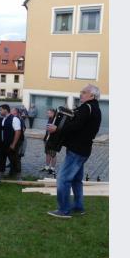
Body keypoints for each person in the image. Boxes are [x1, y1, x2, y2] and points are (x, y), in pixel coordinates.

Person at [46, 84, 102, 218]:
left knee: (63, 179)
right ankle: (78, 206)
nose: (80, 94)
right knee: (76, 180)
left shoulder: (86, 108)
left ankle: (63, 210)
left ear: (91, 95)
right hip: (83, 149)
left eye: (84, 92)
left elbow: (75, 126)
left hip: (77, 150)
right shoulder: (95, 108)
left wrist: (57, 129)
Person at [0, 104, 23, 178]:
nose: (0, 111)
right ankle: (1, 173)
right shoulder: (3, 119)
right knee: (1, 159)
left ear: (5, 110)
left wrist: (14, 144)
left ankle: (16, 175)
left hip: (11, 143)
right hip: (3, 143)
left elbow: (18, 132)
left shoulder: (14, 119)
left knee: (14, 159)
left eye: (1, 109)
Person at [41, 108, 58, 176]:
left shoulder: (56, 120)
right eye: (47, 113)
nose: (47, 114)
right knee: (47, 153)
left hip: (53, 140)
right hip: (47, 139)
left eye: (49, 113)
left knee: (53, 154)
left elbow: (57, 130)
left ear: (53, 113)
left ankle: (52, 169)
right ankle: (47, 167)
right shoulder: (50, 119)